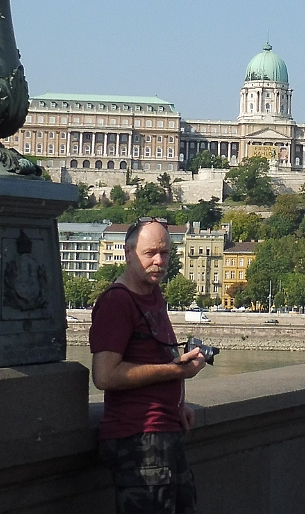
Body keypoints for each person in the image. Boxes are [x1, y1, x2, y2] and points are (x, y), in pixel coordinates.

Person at [91, 217, 208, 514]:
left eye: (165, 253)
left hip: (163, 431)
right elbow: (104, 375)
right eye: (150, 253)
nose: (158, 261)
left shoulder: (153, 294)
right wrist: (176, 371)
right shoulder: (117, 302)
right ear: (128, 254)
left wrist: (175, 404)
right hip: (139, 440)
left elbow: (149, 355)